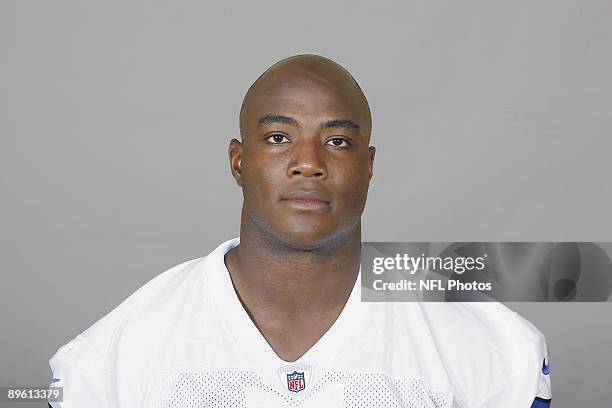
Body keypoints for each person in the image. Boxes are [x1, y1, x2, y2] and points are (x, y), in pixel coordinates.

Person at [48, 54, 552, 407]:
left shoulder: (494, 346)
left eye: (336, 140)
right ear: (239, 161)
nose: (308, 162)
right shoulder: (110, 358)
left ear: (369, 164)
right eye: (277, 137)